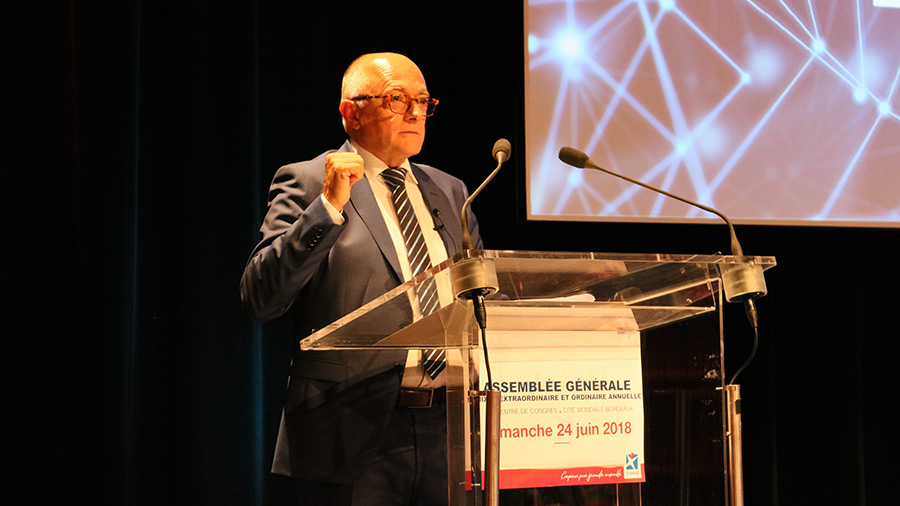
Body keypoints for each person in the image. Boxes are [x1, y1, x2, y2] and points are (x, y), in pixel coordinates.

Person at [240, 52, 482, 506]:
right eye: (397, 99)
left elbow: (477, 299)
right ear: (351, 112)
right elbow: (260, 296)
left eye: (423, 101)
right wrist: (327, 208)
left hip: (448, 430)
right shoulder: (308, 181)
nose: (415, 112)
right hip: (349, 429)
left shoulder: (450, 190)